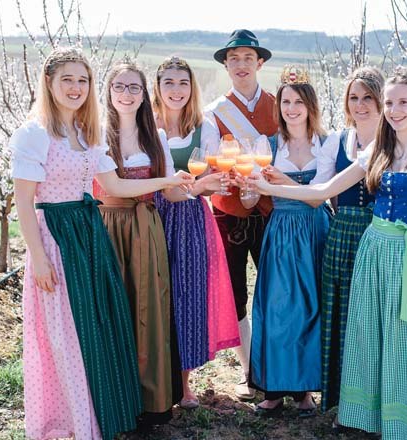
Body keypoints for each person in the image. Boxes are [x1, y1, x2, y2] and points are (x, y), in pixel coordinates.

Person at [249, 69, 407, 439]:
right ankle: (366, 417)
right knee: (366, 334)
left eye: (402, 102)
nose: (394, 110)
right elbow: (325, 189)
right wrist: (268, 185)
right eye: (390, 103)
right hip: (372, 250)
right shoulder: (378, 147)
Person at [11, 48, 193, 440]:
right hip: (57, 235)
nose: (76, 88)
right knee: (64, 332)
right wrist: (38, 258)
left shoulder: (84, 133)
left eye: (82, 80)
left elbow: (115, 186)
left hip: (90, 235)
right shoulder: (34, 134)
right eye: (67, 80)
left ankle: (96, 413)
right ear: (49, 83)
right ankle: (69, 421)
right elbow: (24, 202)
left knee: (95, 327)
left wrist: (167, 181)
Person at [92, 59, 191, 428]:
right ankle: (117, 398)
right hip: (108, 225)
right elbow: (115, 187)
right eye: (120, 86)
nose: (127, 94)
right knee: (115, 308)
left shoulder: (157, 136)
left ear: (144, 95)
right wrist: (163, 184)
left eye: (135, 87)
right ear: (108, 92)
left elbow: (174, 192)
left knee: (148, 308)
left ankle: (151, 401)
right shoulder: (96, 134)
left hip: (146, 227)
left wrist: (201, 187)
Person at [248, 66, 338, 418]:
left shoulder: (329, 144)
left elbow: (318, 199)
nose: (291, 108)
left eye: (299, 101)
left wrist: (282, 179)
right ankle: (273, 389)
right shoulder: (266, 146)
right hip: (283, 230)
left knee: (313, 308)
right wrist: (244, 191)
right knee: (278, 309)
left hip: (316, 231)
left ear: (310, 106)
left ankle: (304, 390)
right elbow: (251, 201)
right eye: (286, 101)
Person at [152, 55, 240, 409]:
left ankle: (185, 384)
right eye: (169, 82)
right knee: (156, 298)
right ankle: (156, 382)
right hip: (152, 217)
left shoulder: (204, 128)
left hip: (189, 219)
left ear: (193, 89)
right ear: (157, 88)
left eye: (183, 83)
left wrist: (212, 183)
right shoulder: (147, 126)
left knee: (188, 297)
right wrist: (200, 184)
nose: (176, 90)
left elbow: (215, 180)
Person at [204, 29, 278, 400]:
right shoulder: (215, 113)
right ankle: (250, 369)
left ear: (260, 63)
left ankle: (276, 369)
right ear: (226, 65)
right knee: (235, 293)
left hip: (270, 212)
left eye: (248, 58)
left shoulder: (280, 105)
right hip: (228, 213)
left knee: (275, 291)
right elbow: (207, 164)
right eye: (234, 59)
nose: (241, 64)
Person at [320, 67, 385, 413]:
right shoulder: (339, 140)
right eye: (354, 98)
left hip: (374, 237)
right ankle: (342, 404)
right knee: (339, 316)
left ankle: (370, 405)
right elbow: (325, 189)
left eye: (368, 97)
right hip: (341, 234)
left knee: (367, 321)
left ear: (380, 101)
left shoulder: (392, 141)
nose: (360, 105)